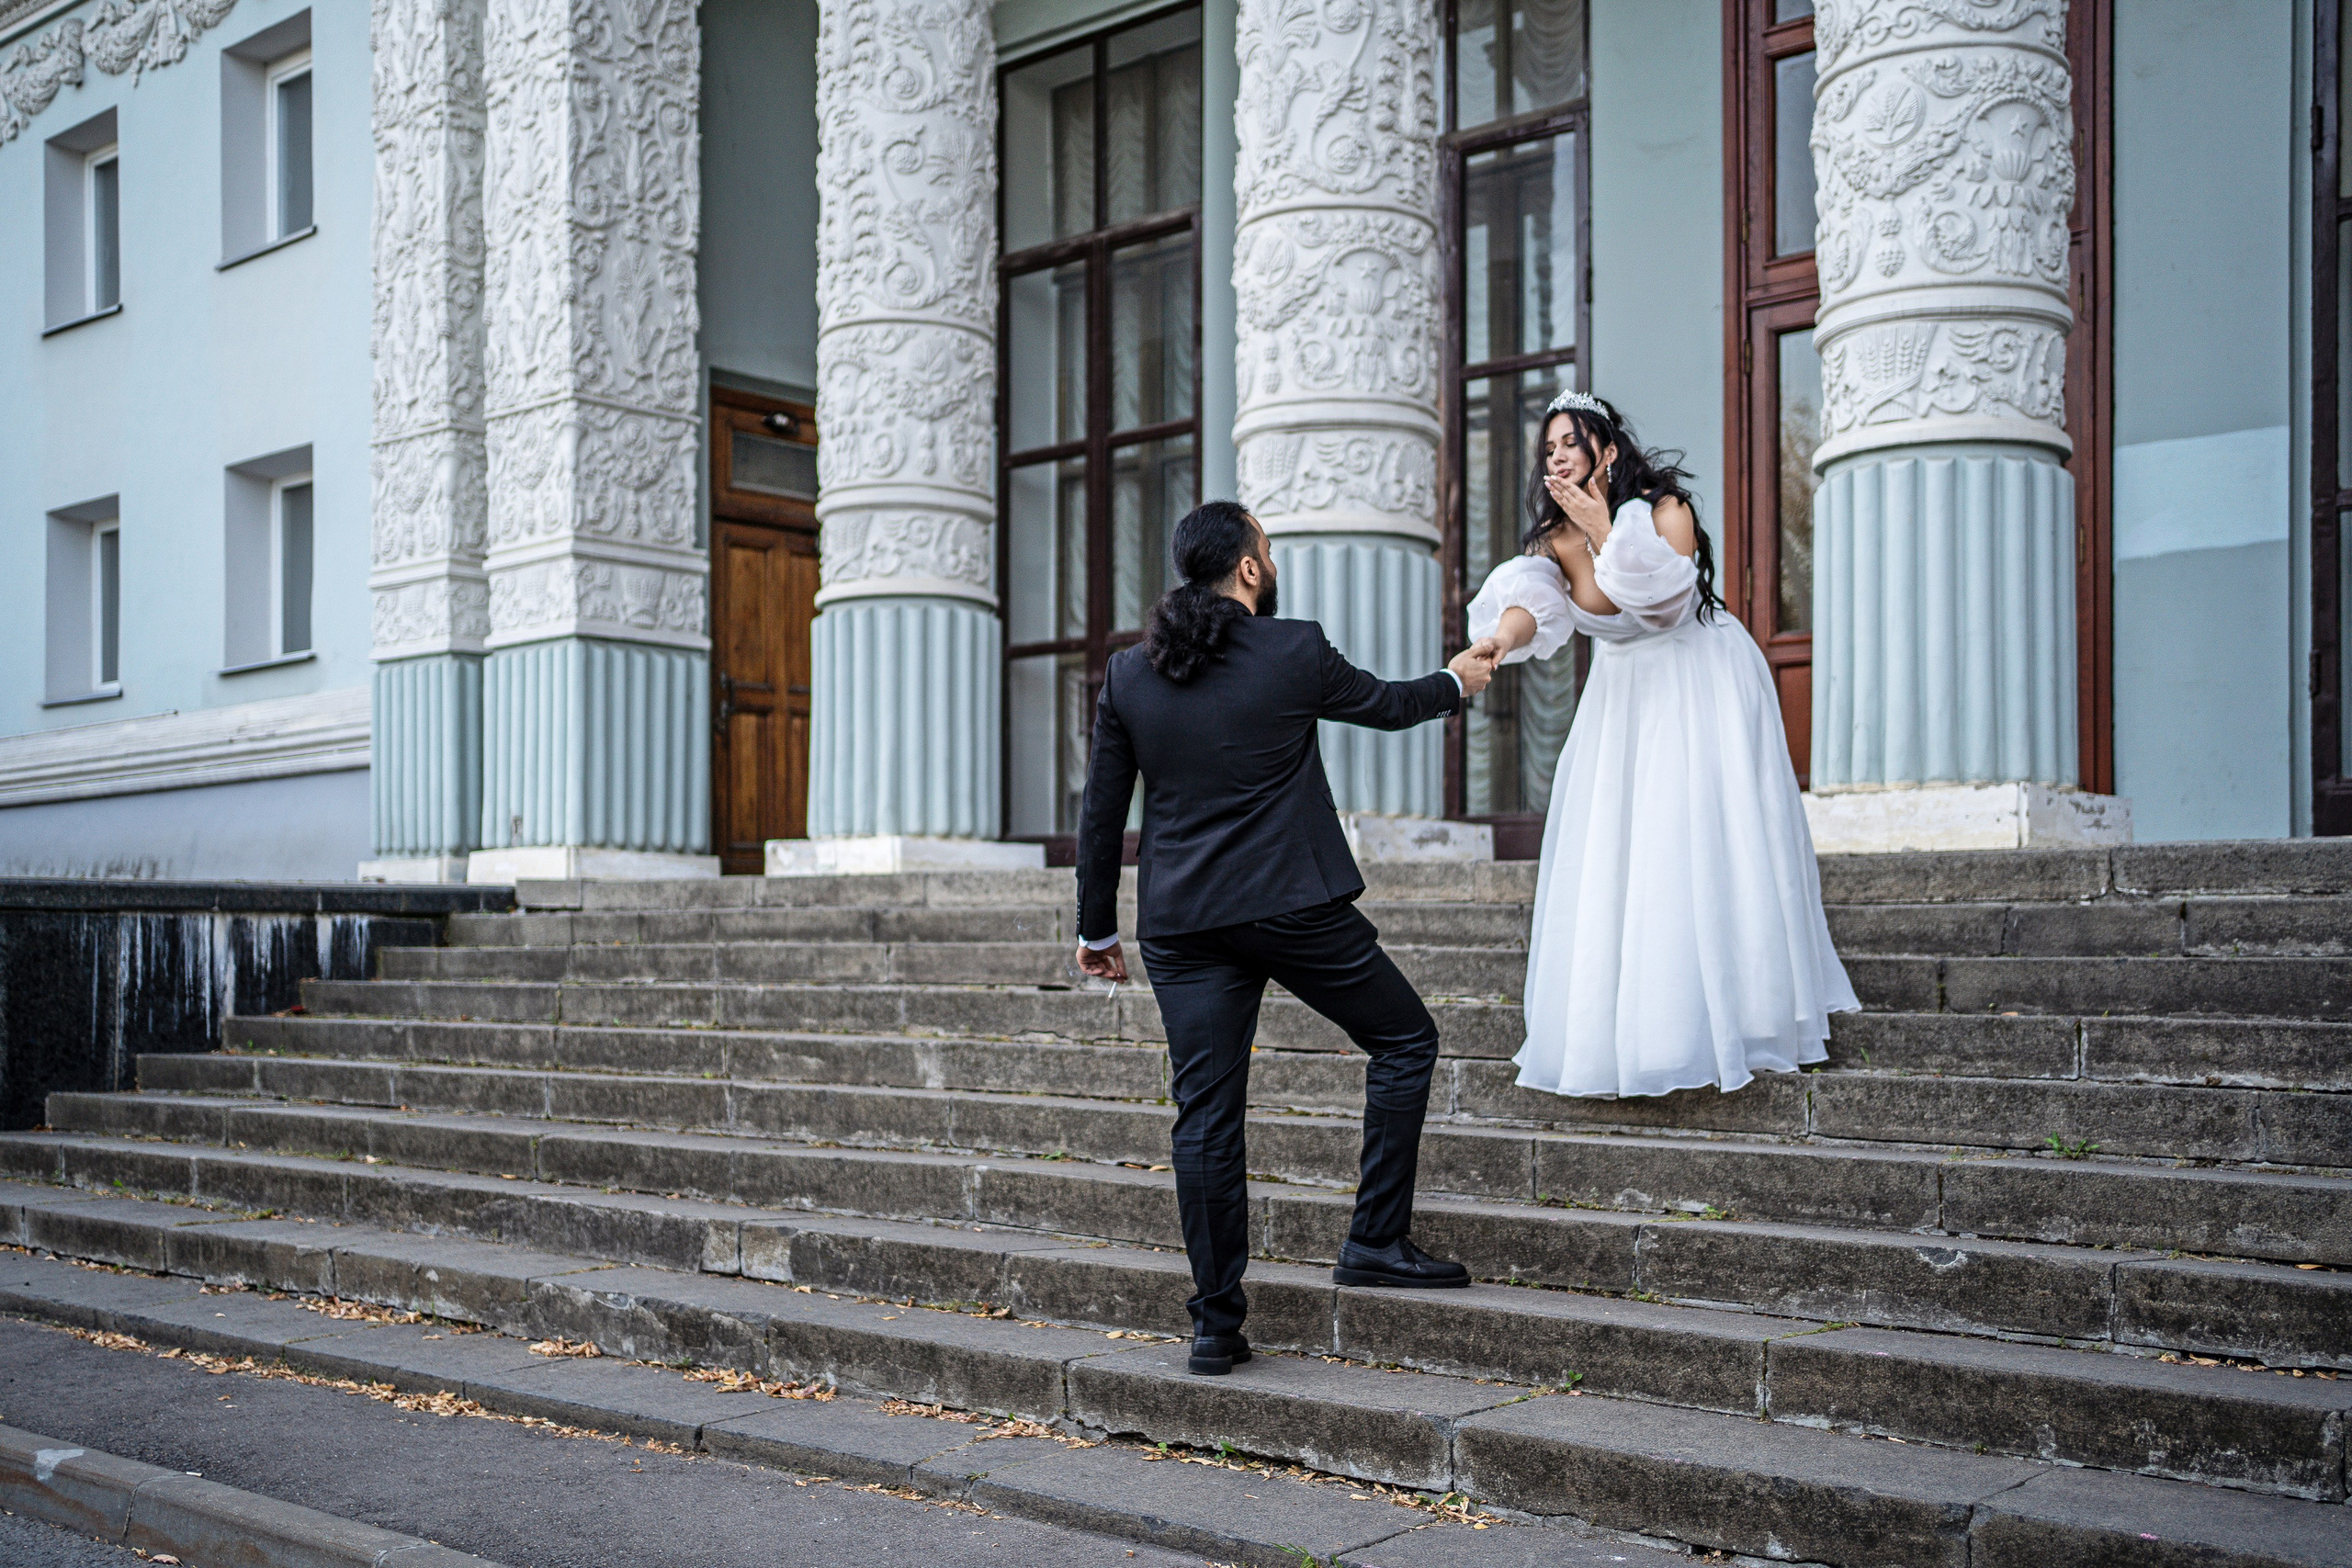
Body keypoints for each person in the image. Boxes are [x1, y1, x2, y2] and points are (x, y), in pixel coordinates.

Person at [1072, 500, 1498, 1377]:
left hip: (1184, 925)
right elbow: (1389, 705)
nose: (1270, 558)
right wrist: (1459, 680)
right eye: (1266, 547)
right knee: (1407, 1038)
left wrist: (1095, 928)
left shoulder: (1129, 675)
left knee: (1207, 1114)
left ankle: (1215, 1324)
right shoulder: (1293, 647)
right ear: (1250, 570)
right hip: (1294, 908)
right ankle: (1375, 1240)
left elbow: (1100, 816)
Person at [1466, 389, 1858, 1100]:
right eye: (1547, 446)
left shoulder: (1663, 510)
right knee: (1627, 854)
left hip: (1699, 680)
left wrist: (1605, 527)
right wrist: (1500, 638)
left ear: (1608, 450)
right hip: (1623, 701)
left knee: (1709, 839)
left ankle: (1751, 1013)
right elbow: (1535, 606)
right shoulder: (1551, 542)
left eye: (1570, 441)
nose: (1555, 454)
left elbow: (1665, 602)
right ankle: (1643, 1032)